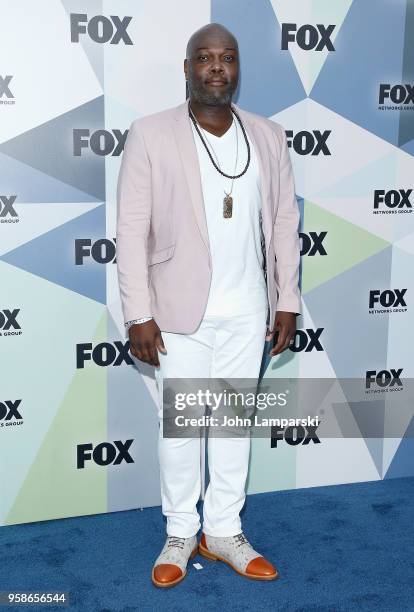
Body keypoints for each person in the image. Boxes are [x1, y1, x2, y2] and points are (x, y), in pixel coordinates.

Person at [116, 22, 301, 588]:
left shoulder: (268, 136)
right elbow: (130, 229)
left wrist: (286, 301)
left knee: (228, 425)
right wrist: (138, 313)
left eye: (228, 57)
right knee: (182, 428)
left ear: (239, 68)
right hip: (178, 312)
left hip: (247, 311)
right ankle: (179, 530)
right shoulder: (152, 134)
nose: (216, 67)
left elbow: (284, 224)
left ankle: (222, 530)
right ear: (188, 68)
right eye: (204, 57)